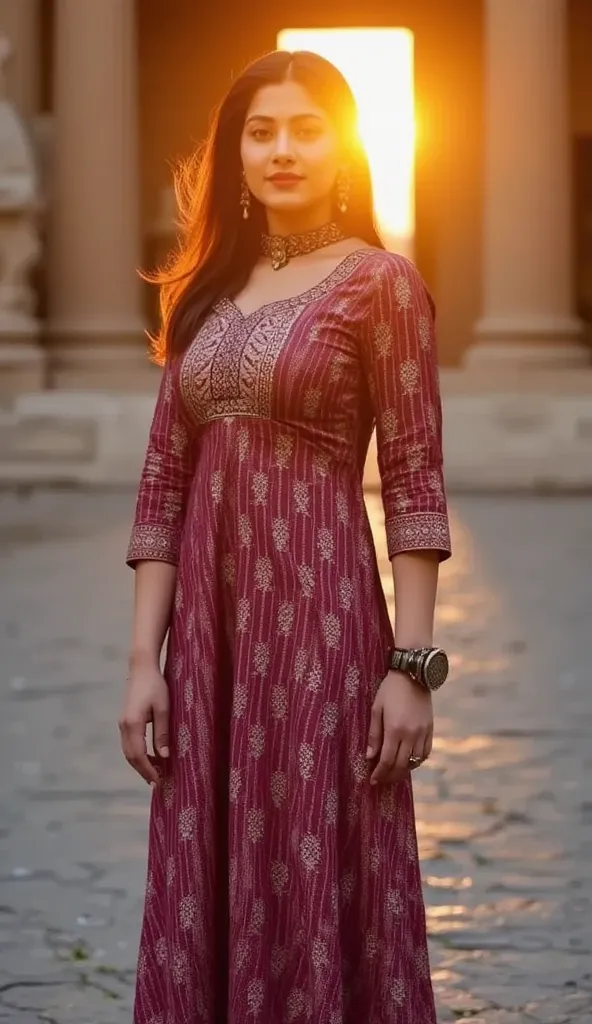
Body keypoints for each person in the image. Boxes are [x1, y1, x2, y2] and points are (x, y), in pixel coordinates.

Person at [119, 47, 451, 1024]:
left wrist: (412, 664)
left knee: (321, 847)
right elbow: (162, 485)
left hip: (325, 630)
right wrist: (146, 660)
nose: (282, 150)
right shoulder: (203, 297)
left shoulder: (379, 284)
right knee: (206, 861)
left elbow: (416, 477)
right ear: (235, 156)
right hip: (212, 647)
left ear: (344, 150)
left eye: (306, 128)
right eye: (260, 132)